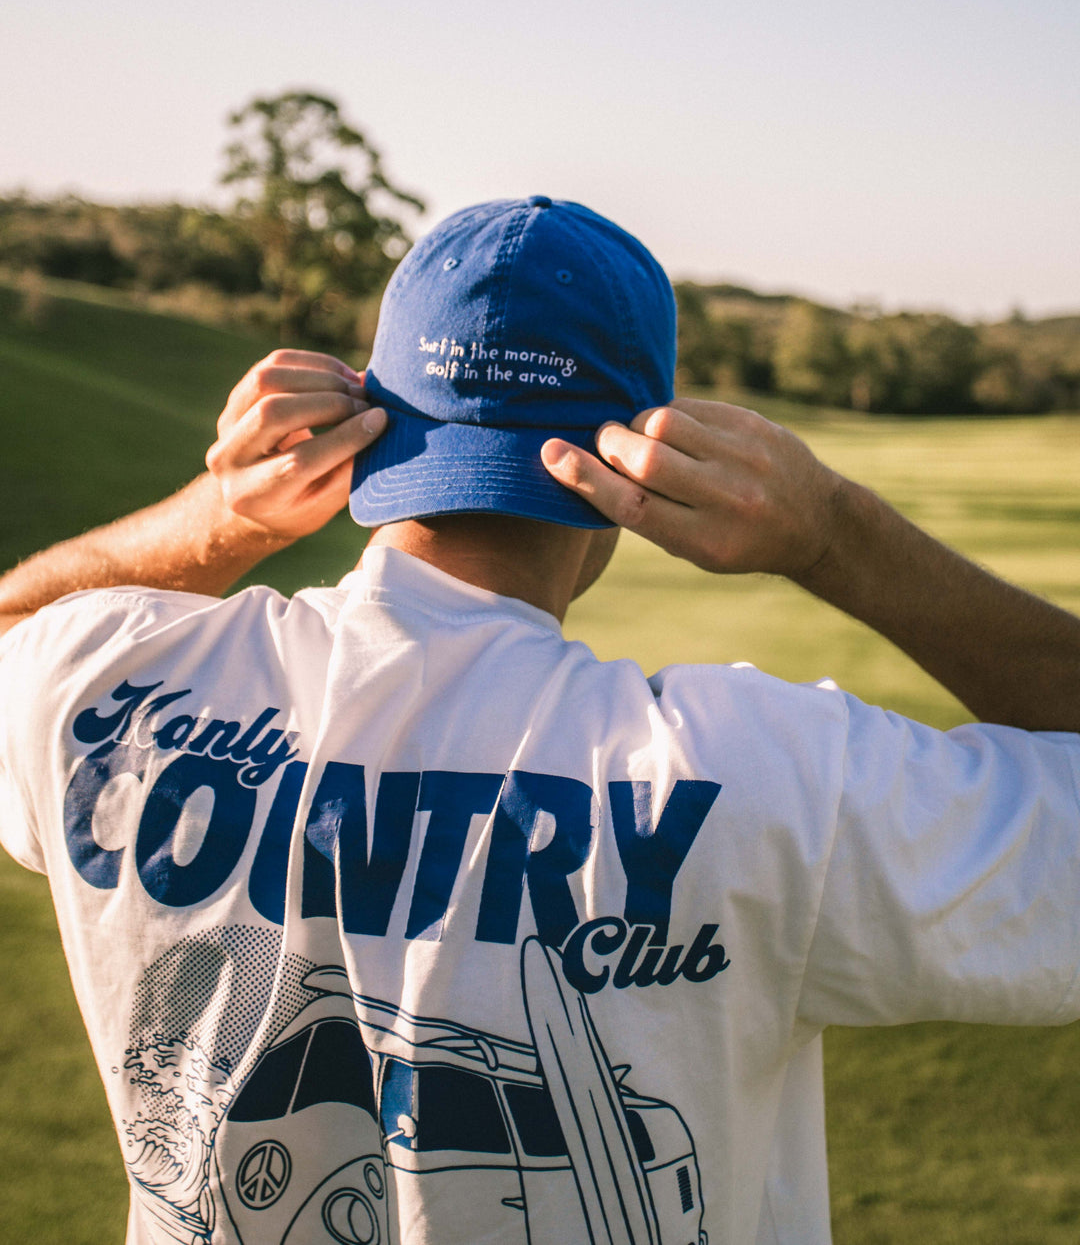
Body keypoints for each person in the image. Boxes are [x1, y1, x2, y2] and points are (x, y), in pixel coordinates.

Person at [1, 196, 1078, 1245]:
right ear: (632, 464)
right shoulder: (769, 773)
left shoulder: (95, 677)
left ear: (363, 425)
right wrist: (835, 536)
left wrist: (218, 514)